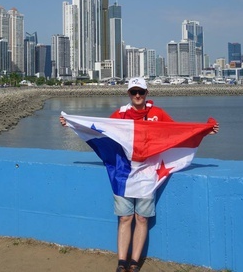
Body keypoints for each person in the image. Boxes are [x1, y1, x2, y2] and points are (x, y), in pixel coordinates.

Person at [60, 77, 219, 272]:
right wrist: (72, 124)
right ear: (128, 94)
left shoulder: (157, 113)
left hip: (148, 174)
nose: (137, 95)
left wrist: (202, 132)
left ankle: (134, 262)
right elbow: (100, 130)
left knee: (142, 218)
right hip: (123, 175)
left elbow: (175, 133)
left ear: (146, 93)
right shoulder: (120, 115)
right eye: (134, 92)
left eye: (141, 92)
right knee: (125, 218)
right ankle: (121, 262)